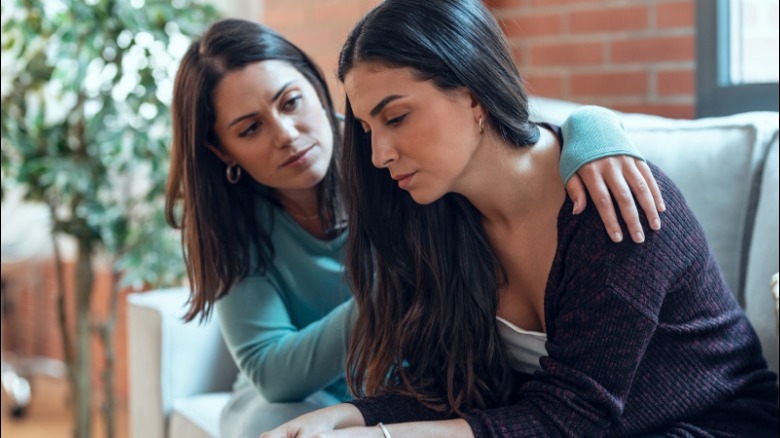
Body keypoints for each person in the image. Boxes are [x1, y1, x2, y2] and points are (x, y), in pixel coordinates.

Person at [261, 1, 780, 437]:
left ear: (473, 94)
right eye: (368, 128)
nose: (380, 155)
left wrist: (384, 437)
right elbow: (454, 393)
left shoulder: (610, 204)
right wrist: (344, 417)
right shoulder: (442, 220)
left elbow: (573, 415)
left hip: (715, 424)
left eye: (396, 117)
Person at [165, 18, 668, 438]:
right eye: (251, 128)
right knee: (276, 423)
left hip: (410, 385)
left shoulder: (403, 165)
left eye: (291, 101)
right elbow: (274, 375)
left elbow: (507, 132)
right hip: (322, 395)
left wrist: (595, 129)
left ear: (316, 89)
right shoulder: (240, 223)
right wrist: (397, 289)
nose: (287, 135)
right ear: (222, 150)